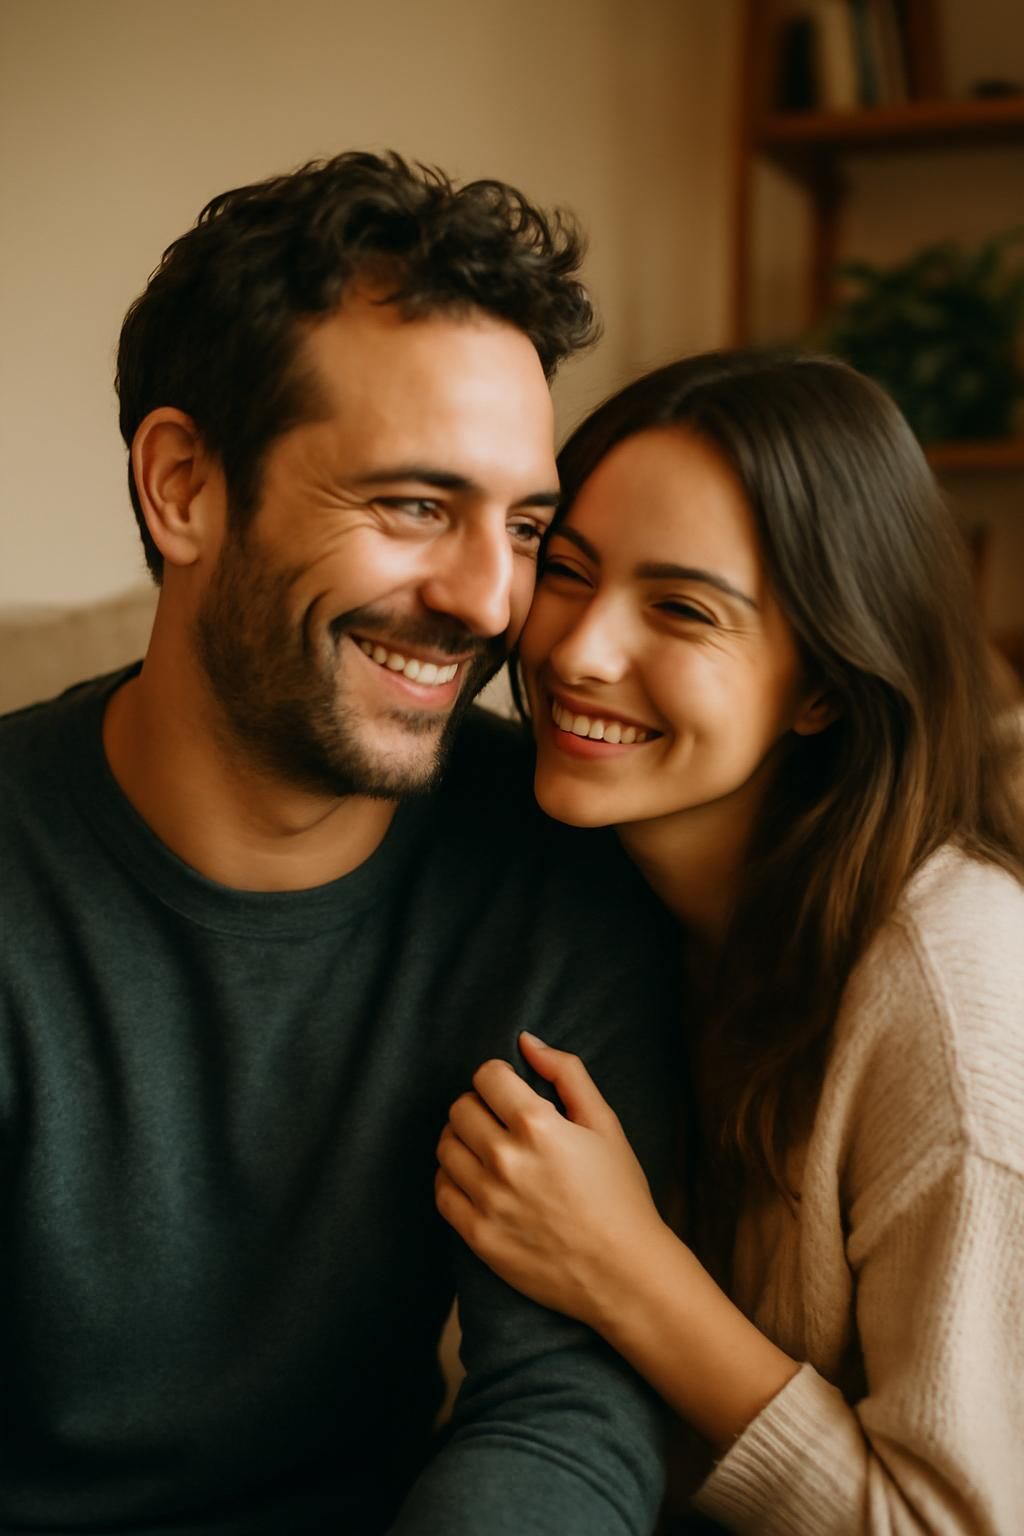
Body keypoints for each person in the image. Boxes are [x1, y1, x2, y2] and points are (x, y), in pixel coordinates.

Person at [0, 152, 684, 1535]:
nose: (492, 604)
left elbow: (562, 1403)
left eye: (527, 527)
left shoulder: (549, 857)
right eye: (415, 507)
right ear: (183, 485)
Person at [436, 349, 1024, 1535]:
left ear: (820, 684)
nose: (578, 651)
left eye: (682, 609)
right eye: (569, 571)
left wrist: (629, 1271)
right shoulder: (576, 889)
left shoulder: (950, 997)